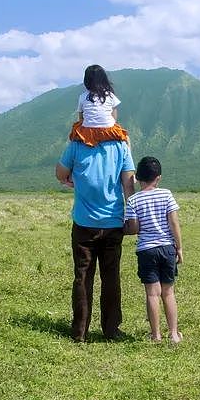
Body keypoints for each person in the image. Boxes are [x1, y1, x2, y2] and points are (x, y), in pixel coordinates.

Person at [55, 121, 136, 342]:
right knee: (111, 277)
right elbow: (129, 185)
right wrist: (132, 217)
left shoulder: (76, 144)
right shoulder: (121, 145)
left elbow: (60, 173)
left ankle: (79, 331)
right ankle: (111, 330)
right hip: (113, 221)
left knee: (82, 276)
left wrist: (70, 178)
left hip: (83, 222)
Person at [123, 156, 183, 343]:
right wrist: (179, 247)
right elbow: (173, 222)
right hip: (167, 247)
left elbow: (133, 229)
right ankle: (173, 334)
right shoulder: (166, 194)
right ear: (158, 177)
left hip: (146, 250)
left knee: (152, 293)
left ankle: (155, 334)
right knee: (168, 292)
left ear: (138, 178)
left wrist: (122, 229)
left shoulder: (133, 200)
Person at [69, 64, 130, 147]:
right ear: (104, 79)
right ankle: (127, 159)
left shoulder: (82, 97)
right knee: (126, 138)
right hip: (107, 131)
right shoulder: (110, 95)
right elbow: (114, 118)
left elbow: (81, 119)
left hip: (88, 133)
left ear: (86, 81)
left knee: (76, 126)